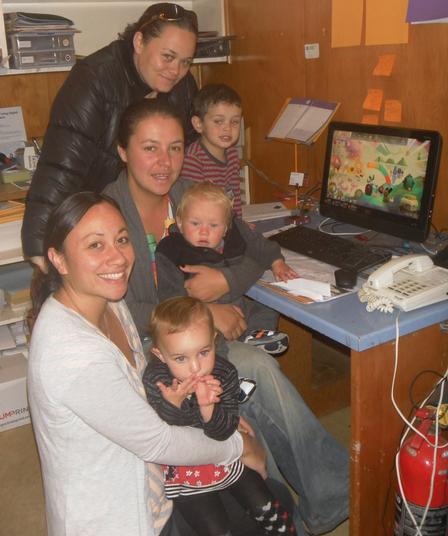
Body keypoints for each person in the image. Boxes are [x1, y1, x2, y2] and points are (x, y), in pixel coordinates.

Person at [104, 97, 349, 535]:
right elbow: (117, 308)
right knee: (254, 368)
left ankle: (315, 497)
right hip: (154, 345)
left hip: (205, 335)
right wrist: (204, 313)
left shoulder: (188, 196)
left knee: (258, 373)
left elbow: (250, 247)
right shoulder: (109, 215)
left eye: (176, 148)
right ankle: (286, 493)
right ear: (123, 150)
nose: (165, 162)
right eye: (150, 148)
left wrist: (223, 283)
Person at [27, 191, 267, 536]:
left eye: (121, 240)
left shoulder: (108, 302)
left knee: (269, 507)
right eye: (96, 245)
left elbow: (149, 391)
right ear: (59, 260)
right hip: (119, 520)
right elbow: (157, 442)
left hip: (152, 490)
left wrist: (213, 412)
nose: (118, 258)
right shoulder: (74, 354)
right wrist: (237, 446)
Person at [22, 2, 200, 271]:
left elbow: (184, 159)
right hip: (91, 217)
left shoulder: (183, 88)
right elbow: (61, 166)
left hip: (146, 219)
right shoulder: (94, 79)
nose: (175, 70)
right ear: (139, 41)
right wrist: (39, 247)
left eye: (185, 62)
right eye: (167, 56)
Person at [143, 296, 297, 535]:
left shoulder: (224, 373)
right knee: (215, 529)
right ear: (160, 355)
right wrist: (171, 406)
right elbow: (163, 435)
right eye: (181, 358)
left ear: (215, 342)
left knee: (264, 504)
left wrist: (208, 408)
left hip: (226, 458)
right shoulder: (157, 379)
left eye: (204, 352)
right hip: (186, 472)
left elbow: (224, 432)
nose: (195, 367)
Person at [156, 181, 296, 354]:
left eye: (213, 225)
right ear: (179, 222)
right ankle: (223, 366)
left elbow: (260, 245)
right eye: (195, 223)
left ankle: (253, 339)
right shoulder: (171, 250)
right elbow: (169, 298)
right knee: (207, 339)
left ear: (225, 228)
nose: (204, 232)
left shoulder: (235, 232)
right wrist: (201, 312)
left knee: (269, 308)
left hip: (238, 307)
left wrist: (277, 262)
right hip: (202, 320)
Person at [181, 83, 244, 217]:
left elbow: (235, 196)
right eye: (218, 121)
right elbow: (197, 209)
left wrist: (240, 224)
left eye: (234, 122)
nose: (227, 128)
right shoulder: (193, 160)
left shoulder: (232, 154)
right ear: (198, 124)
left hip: (225, 222)